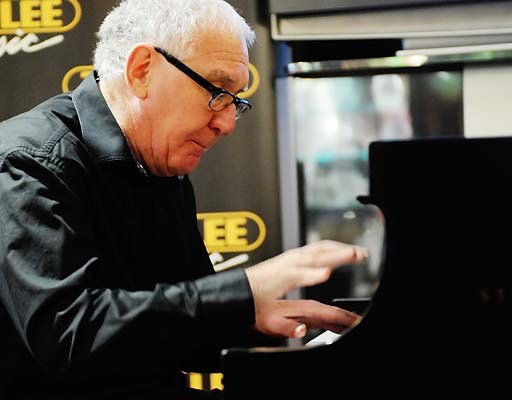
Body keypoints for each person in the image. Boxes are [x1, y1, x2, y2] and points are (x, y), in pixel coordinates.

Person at [0, 0, 369, 399]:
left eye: (236, 101)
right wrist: (240, 295)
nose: (226, 123)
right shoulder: (28, 161)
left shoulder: (163, 166)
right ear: (142, 70)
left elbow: (171, 330)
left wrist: (254, 322)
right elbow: (68, 335)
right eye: (217, 91)